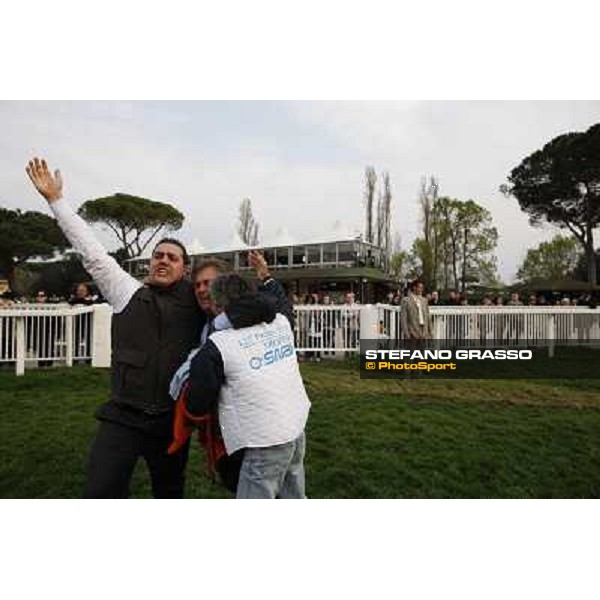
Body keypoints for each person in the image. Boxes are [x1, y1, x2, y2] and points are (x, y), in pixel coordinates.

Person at [26, 157, 204, 498]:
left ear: (185, 269)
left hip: (170, 422)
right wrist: (56, 202)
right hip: (123, 418)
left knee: (170, 495)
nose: (162, 260)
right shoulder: (127, 291)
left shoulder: (198, 301)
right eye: (158, 255)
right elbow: (92, 252)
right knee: (101, 492)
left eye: (172, 257)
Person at [187, 273, 310, 499]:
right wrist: (267, 277)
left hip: (263, 440)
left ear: (217, 304)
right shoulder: (280, 322)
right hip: (296, 427)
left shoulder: (217, 345)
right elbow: (282, 304)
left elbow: (197, 402)